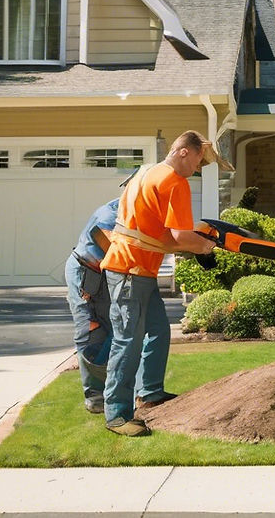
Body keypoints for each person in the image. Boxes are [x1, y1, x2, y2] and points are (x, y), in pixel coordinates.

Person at [101, 130, 231, 436]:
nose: (198, 169)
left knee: (158, 331)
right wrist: (205, 247)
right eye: (200, 161)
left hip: (137, 268)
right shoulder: (175, 182)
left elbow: (153, 232)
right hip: (130, 270)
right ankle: (117, 415)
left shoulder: (147, 172)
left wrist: (195, 239)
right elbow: (179, 236)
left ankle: (151, 394)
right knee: (128, 340)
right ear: (185, 151)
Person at [64, 197, 119, 414]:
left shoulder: (135, 214)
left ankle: (112, 388)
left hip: (102, 274)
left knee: (114, 329)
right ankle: (95, 396)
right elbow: (113, 249)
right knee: (90, 332)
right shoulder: (109, 216)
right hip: (84, 271)